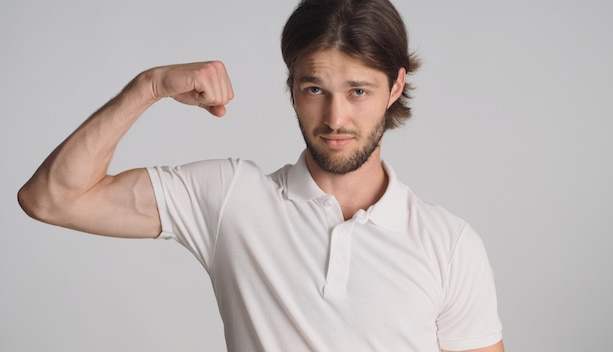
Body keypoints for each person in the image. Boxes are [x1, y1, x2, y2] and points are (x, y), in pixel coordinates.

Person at [18, 0, 504, 351]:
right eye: (315, 88)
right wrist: (149, 87)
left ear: (396, 85)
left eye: (358, 91)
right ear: (291, 85)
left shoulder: (449, 243)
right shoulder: (231, 199)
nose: (335, 118)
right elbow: (51, 199)